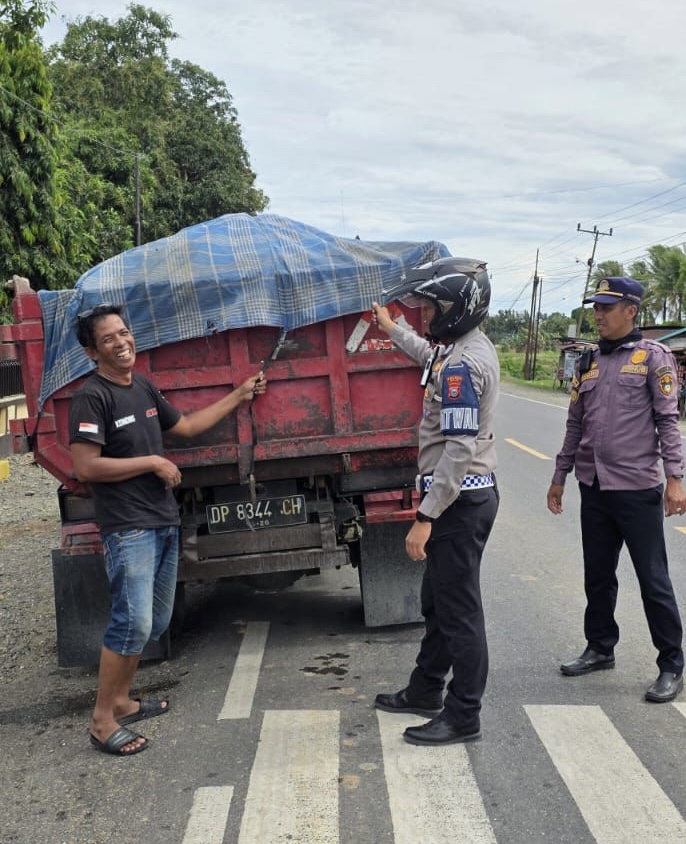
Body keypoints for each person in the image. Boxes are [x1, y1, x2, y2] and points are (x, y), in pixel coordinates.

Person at [69, 304, 267, 756]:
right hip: (128, 527)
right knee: (131, 620)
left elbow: (188, 426)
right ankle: (101, 720)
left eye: (124, 333)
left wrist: (240, 394)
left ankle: (121, 700)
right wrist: (154, 461)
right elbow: (85, 465)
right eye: (109, 339)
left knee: (154, 621)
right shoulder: (92, 396)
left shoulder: (141, 386)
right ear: (91, 351)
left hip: (161, 521)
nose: (122, 343)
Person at [371, 257, 500, 745]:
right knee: (438, 602)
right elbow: (426, 354)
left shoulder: (464, 365)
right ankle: (426, 688)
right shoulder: (458, 351)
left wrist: (424, 517)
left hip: (457, 505)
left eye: (432, 306)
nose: (427, 315)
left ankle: (464, 714)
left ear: (458, 307)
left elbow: (460, 451)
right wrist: (393, 326)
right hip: (459, 502)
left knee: (459, 611)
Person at [547, 276, 685, 703]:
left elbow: (668, 422)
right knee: (598, 575)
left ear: (631, 310)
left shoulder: (654, 358)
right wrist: (559, 475)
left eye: (607, 307)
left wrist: (676, 478)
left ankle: (671, 664)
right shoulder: (587, 362)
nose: (598, 315)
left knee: (652, 579)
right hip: (594, 486)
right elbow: (575, 424)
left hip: (636, 489)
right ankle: (600, 647)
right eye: (596, 307)